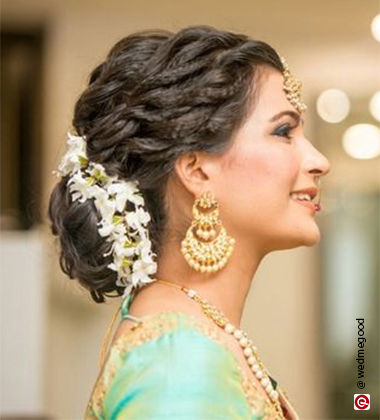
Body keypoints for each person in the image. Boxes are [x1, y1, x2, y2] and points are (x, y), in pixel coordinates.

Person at [48, 24, 330, 419]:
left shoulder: (187, 332)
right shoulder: (178, 361)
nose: (319, 161)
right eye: (284, 131)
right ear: (196, 170)